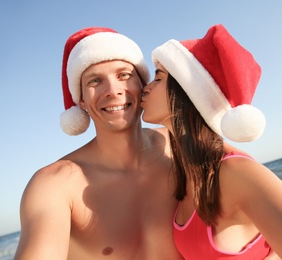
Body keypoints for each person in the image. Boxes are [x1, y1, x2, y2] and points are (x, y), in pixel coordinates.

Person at [141, 24, 282, 259]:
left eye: (158, 78)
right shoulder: (183, 175)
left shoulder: (236, 173)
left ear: (187, 94)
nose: (146, 88)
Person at [14, 27, 182, 259]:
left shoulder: (179, 147)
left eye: (123, 75)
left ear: (143, 85)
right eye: (95, 80)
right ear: (81, 100)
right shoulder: (55, 186)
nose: (113, 91)